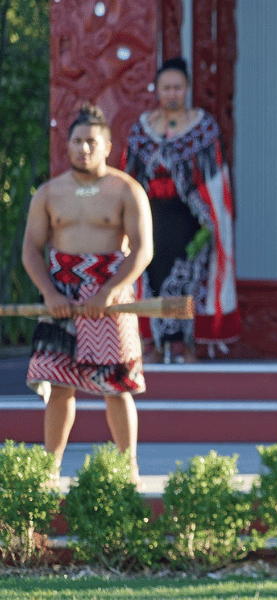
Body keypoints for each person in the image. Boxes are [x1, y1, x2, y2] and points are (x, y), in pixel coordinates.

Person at [22, 104, 153, 483]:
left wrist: (109, 292)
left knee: (117, 386)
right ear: (68, 146)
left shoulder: (127, 189)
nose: (84, 149)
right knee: (59, 385)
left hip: (110, 296)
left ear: (107, 146)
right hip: (60, 293)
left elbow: (143, 249)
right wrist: (49, 292)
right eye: (77, 141)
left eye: (91, 142)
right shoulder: (49, 192)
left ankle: (128, 469)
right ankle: (50, 469)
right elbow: (31, 248)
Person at [122, 56, 240, 364]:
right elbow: (128, 179)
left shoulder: (204, 128)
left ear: (186, 89)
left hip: (191, 220)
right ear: (157, 90)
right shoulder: (141, 130)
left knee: (189, 279)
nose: (172, 93)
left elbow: (217, 183)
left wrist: (210, 222)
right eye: (166, 87)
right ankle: (152, 342)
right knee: (151, 278)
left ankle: (185, 343)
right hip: (152, 219)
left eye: (177, 87)